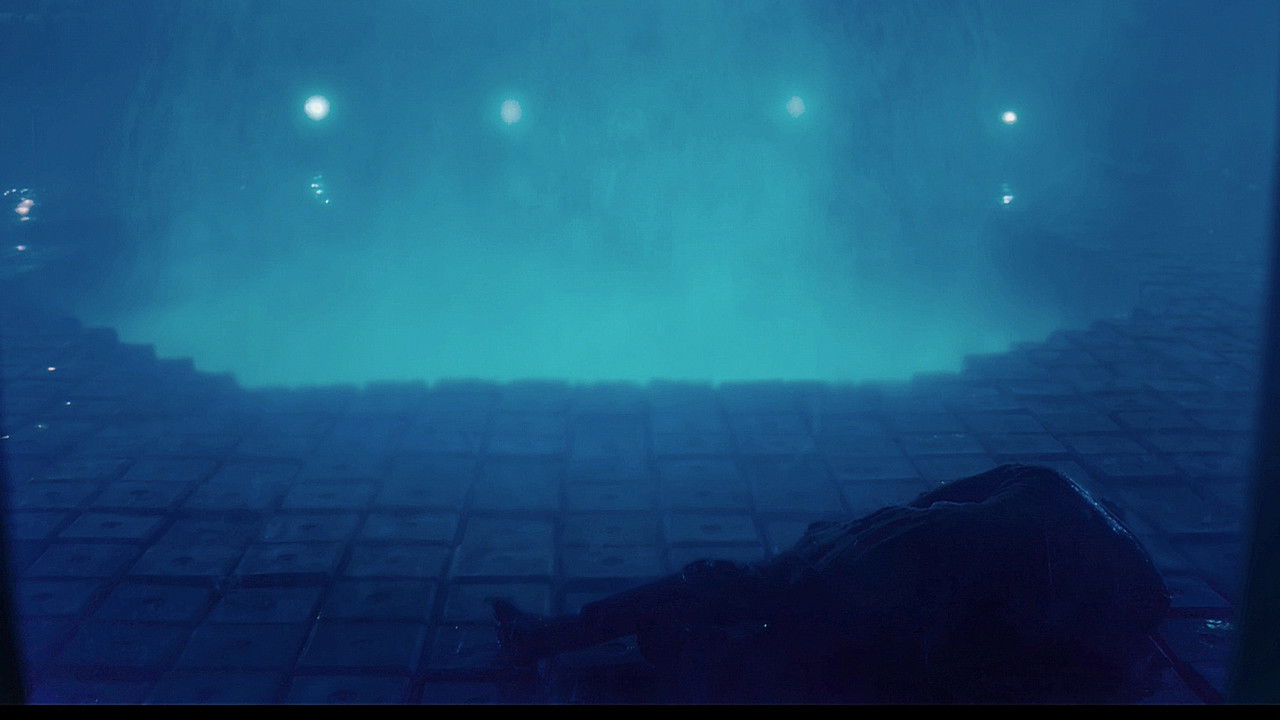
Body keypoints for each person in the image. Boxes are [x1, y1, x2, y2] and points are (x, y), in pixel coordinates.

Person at [492, 464, 1171, 703]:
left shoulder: (1049, 519)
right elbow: (927, 510)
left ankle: (594, 656)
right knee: (748, 605)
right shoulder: (1042, 500)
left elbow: (976, 654)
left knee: (761, 648)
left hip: (901, 597)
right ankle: (578, 644)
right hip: (898, 573)